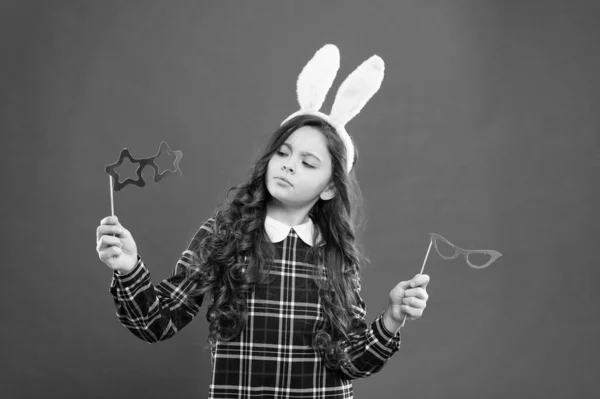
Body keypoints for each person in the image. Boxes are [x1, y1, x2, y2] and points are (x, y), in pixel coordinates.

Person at [96, 45, 430, 399]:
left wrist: (392, 318)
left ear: (331, 187)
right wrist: (129, 268)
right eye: (283, 153)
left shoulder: (336, 255)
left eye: (308, 162)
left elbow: (351, 361)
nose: (288, 165)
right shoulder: (224, 232)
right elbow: (156, 323)